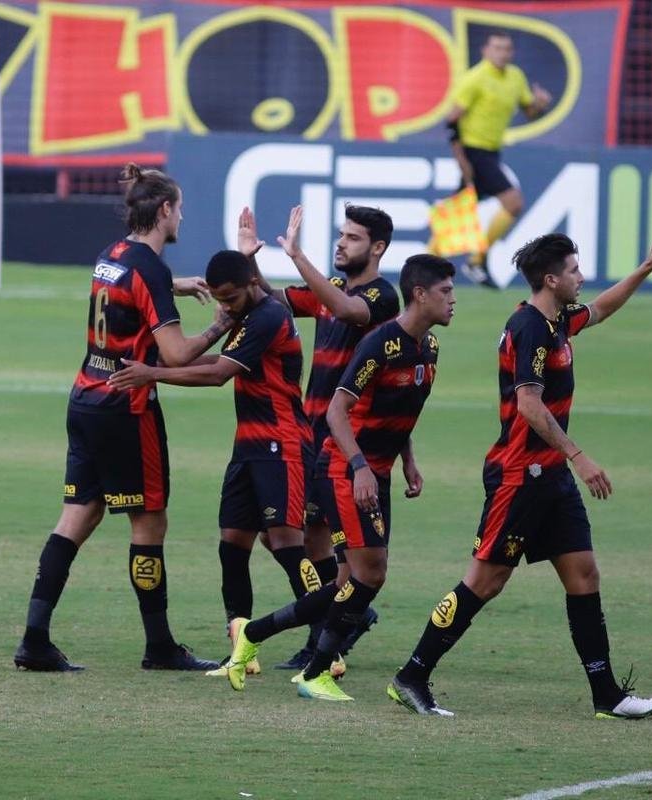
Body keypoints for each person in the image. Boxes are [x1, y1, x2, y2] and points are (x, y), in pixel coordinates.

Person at [388, 225, 652, 719]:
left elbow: (600, 308)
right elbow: (529, 405)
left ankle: (608, 695)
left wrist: (644, 270)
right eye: (574, 271)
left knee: (583, 574)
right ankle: (412, 675)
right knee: (485, 581)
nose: (581, 277)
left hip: (551, 475)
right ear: (550, 279)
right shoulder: (529, 329)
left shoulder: (559, 319)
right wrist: (579, 456)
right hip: (521, 475)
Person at [12, 163, 232, 673]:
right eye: (179, 208)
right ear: (164, 210)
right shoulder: (148, 269)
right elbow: (175, 357)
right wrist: (221, 324)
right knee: (149, 520)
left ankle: (34, 639)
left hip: (86, 397)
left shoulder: (111, 254)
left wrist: (172, 286)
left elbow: (130, 286)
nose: (182, 216)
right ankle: (159, 647)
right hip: (127, 409)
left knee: (77, 517)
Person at [226, 225, 456, 700]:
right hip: (345, 468)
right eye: (446, 291)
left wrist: (405, 458)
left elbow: (397, 409)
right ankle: (317, 670)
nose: (454, 300)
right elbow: (337, 409)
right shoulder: (380, 343)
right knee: (363, 573)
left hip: (374, 472)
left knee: (350, 579)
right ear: (419, 294)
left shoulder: (426, 347)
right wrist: (359, 467)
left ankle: (258, 637)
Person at [108, 249, 311, 678]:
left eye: (231, 298)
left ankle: (328, 643)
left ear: (252, 283)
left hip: (282, 441)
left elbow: (219, 374)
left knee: (287, 543)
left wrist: (155, 374)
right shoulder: (246, 315)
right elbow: (214, 362)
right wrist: (165, 363)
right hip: (248, 445)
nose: (226, 306)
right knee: (232, 544)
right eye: (220, 299)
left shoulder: (269, 316)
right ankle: (242, 651)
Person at [238, 203, 399, 672]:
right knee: (294, 538)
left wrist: (296, 256)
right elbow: (272, 300)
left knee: (330, 547)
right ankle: (349, 616)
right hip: (309, 437)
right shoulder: (334, 291)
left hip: (345, 444)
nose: (341, 242)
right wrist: (250, 257)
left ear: (378, 248)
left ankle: (326, 639)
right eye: (341, 234)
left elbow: (345, 309)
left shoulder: (380, 298)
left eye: (352, 237)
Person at [448, 30, 552, 287]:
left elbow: (530, 112)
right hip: (473, 151)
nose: (502, 53)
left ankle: (425, 264)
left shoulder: (515, 77)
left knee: (457, 214)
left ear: (511, 52)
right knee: (513, 203)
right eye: (496, 48)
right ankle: (476, 261)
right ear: (485, 50)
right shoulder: (475, 79)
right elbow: (451, 120)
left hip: (492, 152)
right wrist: (462, 160)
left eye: (506, 49)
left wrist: (540, 104)